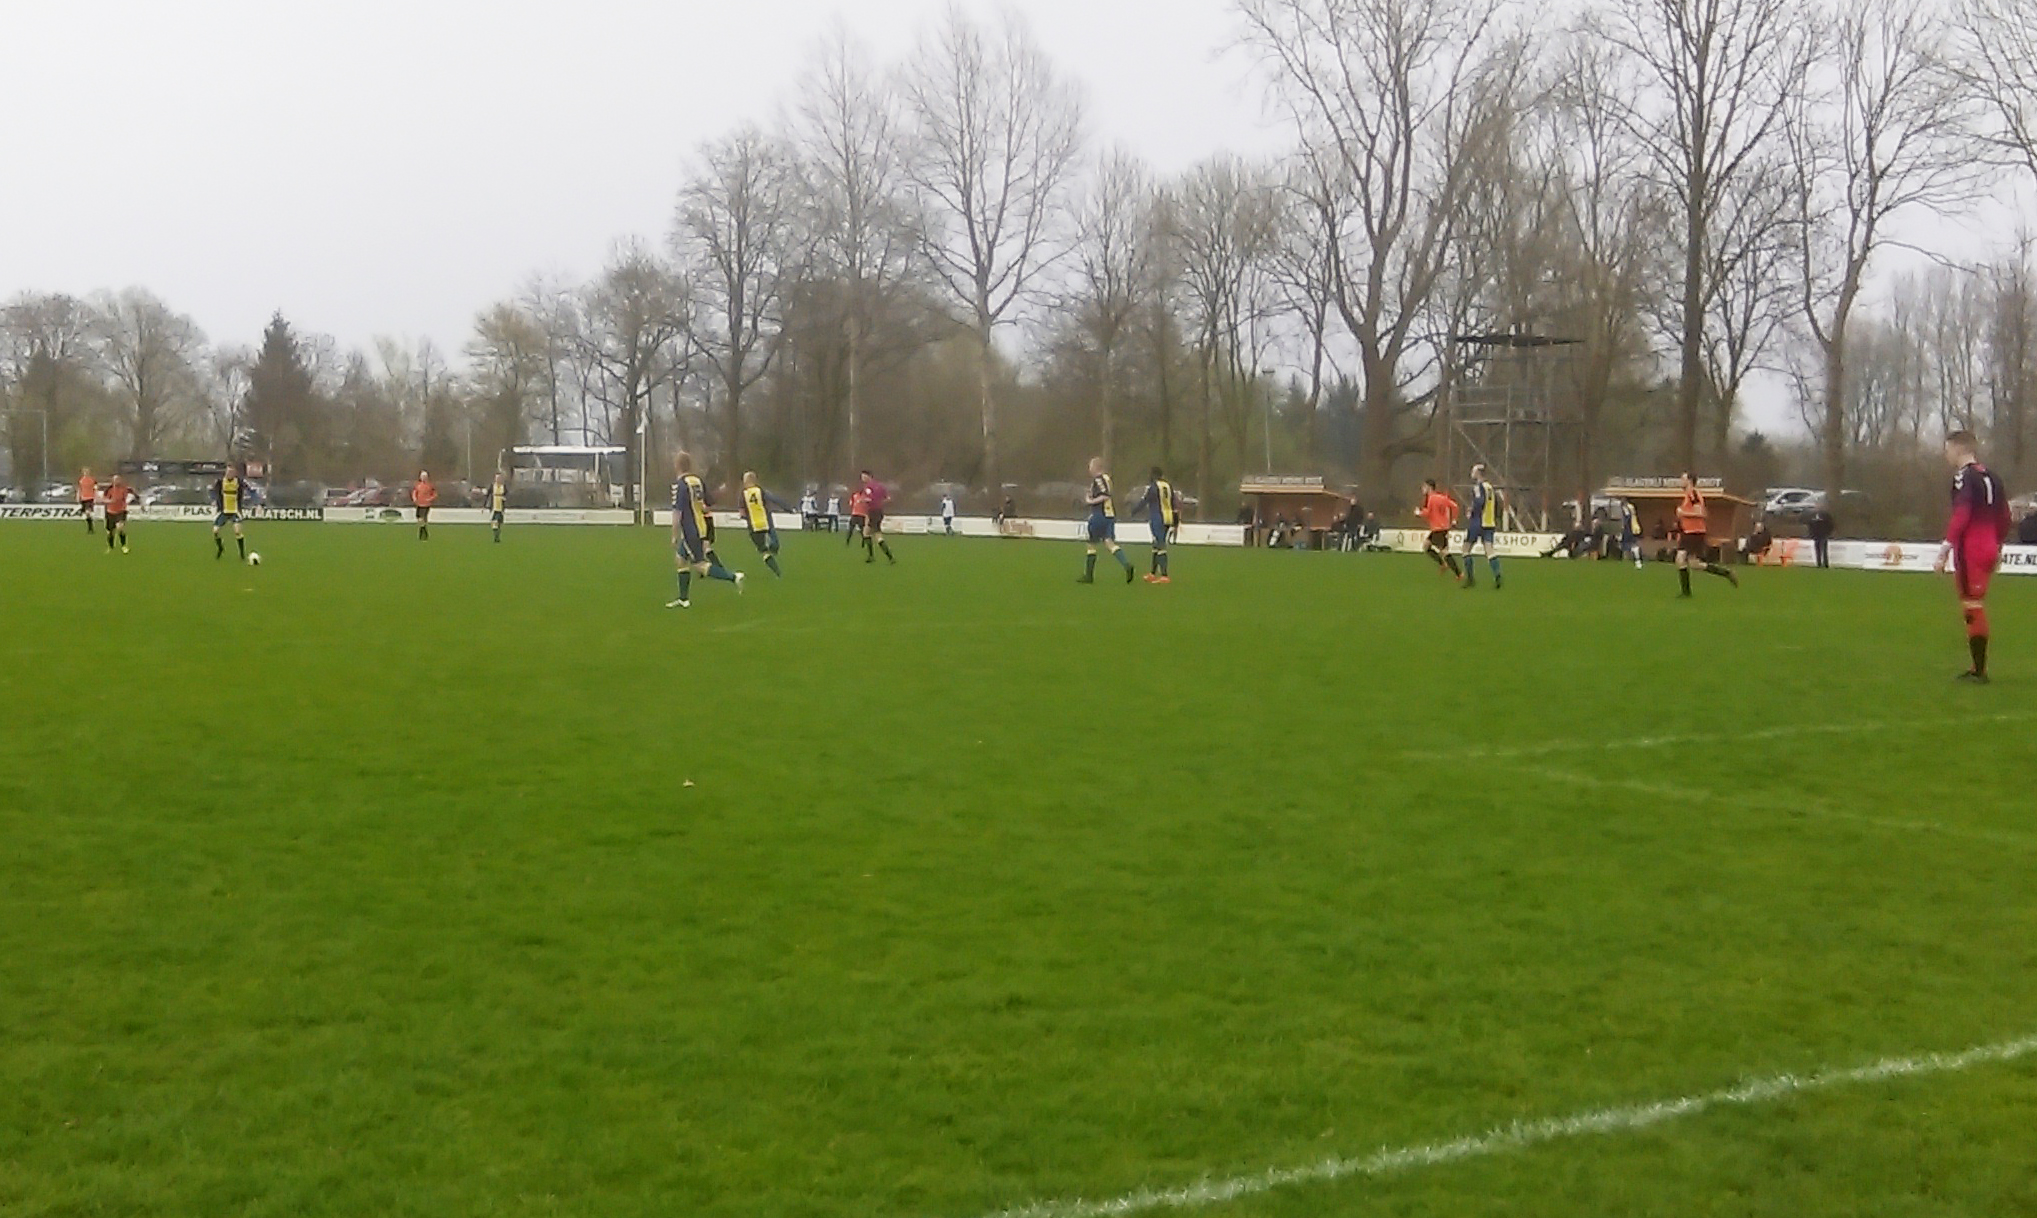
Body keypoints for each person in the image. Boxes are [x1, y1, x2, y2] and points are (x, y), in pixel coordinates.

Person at [1934, 430, 2012, 683]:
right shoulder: (1992, 476)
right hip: (1989, 544)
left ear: (1959, 449)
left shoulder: (1963, 477)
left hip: (1971, 548)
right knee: (1974, 603)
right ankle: (1977, 668)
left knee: (1972, 606)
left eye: (1948, 449)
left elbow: (1962, 514)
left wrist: (1945, 548)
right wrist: (1998, 545)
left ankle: (1979, 671)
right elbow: (2005, 516)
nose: (1946, 454)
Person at [667, 452, 743, 608]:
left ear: (677, 465)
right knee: (680, 560)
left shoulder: (681, 484)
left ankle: (733, 577)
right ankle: (683, 599)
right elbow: (709, 502)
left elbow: (677, 512)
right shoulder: (698, 481)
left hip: (690, 530)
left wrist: (674, 535)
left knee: (700, 565)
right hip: (701, 526)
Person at [1673, 471, 1739, 596]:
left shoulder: (1693, 494)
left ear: (1690, 481)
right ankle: (1726, 573)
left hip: (1695, 533)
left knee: (1683, 559)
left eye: (1683, 479)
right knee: (1693, 563)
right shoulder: (1688, 495)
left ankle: (1686, 593)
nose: (1681, 481)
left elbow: (1702, 513)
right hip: (1688, 532)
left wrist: (1682, 513)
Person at [1077, 457, 1136, 583]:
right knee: (1109, 543)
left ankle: (1088, 576)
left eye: (1090, 466)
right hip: (1109, 515)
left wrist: (1091, 501)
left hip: (1099, 515)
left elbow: (1104, 495)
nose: (1089, 469)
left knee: (1091, 544)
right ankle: (1126, 565)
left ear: (1095, 467)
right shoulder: (1107, 479)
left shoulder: (1099, 479)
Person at [1130, 465, 1177, 583]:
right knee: (1156, 544)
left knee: (1160, 545)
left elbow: (1144, 501)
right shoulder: (1168, 485)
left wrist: (1134, 511)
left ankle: (1164, 575)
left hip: (1157, 517)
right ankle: (1152, 573)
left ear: (1153, 475)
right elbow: (1173, 502)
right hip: (1168, 517)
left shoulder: (1153, 487)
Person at [741, 471, 793, 577]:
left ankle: (777, 572)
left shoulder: (743, 494)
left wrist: (745, 516)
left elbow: (742, 512)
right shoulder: (761, 491)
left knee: (764, 551)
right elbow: (775, 499)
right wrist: (788, 508)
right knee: (775, 545)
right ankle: (773, 549)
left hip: (753, 526)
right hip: (766, 522)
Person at [1460, 464, 1503, 589]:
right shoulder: (1490, 487)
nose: (1471, 473)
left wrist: (1472, 511)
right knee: (1489, 550)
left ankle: (1470, 579)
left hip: (1478, 522)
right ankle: (1497, 574)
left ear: (1478, 473)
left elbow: (1479, 502)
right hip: (1489, 522)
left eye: (1473, 471)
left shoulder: (1478, 487)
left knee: (1466, 549)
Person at [211, 462, 251, 562]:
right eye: (228, 472)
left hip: (234, 511)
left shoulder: (238, 482)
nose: (230, 474)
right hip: (224, 511)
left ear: (235, 473)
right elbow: (214, 492)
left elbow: (247, 490)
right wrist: (215, 501)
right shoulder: (221, 482)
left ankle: (242, 554)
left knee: (237, 531)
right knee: (215, 531)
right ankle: (220, 548)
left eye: (232, 472)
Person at [859, 470, 896, 565]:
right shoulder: (880, 486)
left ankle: (889, 557)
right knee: (867, 532)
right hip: (879, 512)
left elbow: (869, 498)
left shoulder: (868, 487)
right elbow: (888, 498)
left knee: (876, 536)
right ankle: (872, 556)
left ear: (868, 476)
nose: (862, 479)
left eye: (863, 476)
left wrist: (862, 500)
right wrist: (879, 502)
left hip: (873, 512)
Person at [102, 475, 136, 554]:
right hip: (110, 512)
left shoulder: (124, 489)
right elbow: (104, 499)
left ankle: (124, 546)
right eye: (115, 479)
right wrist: (110, 501)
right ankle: (110, 547)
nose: (117, 481)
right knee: (111, 532)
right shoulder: (109, 489)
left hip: (121, 511)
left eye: (118, 479)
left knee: (120, 528)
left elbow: (131, 495)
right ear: (112, 481)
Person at [1618, 499, 1644, 568]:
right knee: (1630, 544)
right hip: (1634, 528)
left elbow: (1627, 518)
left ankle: (1634, 553)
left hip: (1629, 529)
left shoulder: (1626, 507)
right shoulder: (1631, 507)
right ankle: (1637, 561)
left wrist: (1623, 528)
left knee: (1625, 545)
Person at [412, 470, 438, 541]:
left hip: (426, 504)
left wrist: (429, 499)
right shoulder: (418, 485)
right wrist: (415, 498)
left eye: (424, 477)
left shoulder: (430, 485)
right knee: (418, 517)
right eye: (422, 476)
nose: (423, 478)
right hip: (419, 504)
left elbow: (435, 494)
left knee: (423, 517)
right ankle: (423, 528)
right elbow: (415, 492)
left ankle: (423, 532)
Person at [1807, 503, 1835, 569]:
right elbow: (1810, 527)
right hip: (1817, 536)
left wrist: (1828, 533)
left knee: (1823, 550)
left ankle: (1825, 564)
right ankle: (1819, 563)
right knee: (1818, 550)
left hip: (1823, 536)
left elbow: (1830, 525)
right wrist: (1812, 535)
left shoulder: (1825, 516)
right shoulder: (1813, 516)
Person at [487, 472, 508, 543]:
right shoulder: (492, 486)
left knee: (499, 522)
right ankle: (496, 537)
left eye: (499, 478)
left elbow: (507, 495)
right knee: (494, 522)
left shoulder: (503, 486)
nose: (498, 479)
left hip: (500, 507)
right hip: (494, 507)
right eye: (497, 478)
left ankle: (497, 537)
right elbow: (487, 495)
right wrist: (485, 506)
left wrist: (504, 499)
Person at [77, 468, 98, 533]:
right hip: (83, 498)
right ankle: (90, 526)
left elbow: (95, 489)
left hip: (90, 498)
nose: (86, 473)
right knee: (86, 515)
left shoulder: (92, 480)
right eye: (85, 472)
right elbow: (79, 489)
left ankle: (90, 528)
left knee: (87, 512)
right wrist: (78, 496)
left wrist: (95, 497)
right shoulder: (81, 480)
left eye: (87, 472)